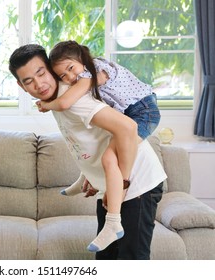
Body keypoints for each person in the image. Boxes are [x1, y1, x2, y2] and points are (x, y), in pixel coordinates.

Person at [9, 44, 166, 259]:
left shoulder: (73, 100)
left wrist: (122, 185)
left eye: (41, 73)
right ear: (20, 85)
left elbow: (128, 128)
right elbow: (91, 140)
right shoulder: (57, 99)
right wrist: (94, 177)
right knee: (106, 258)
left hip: (138, 185)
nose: (39, 84)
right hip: (112, 184)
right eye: (28, 81)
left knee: (131, 261)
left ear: (49, 68)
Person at [39, 40, 160, 198]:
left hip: (144, 112)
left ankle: (121, 186)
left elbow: (64, 102)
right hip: (129, 111)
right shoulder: (84, 74)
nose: (70, 77)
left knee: (110, 156)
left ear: (82, 58)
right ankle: (89, 178)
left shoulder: (93, 71)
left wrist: (46, 104)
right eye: (63, 76)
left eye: (71, 68)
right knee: (98, 148)